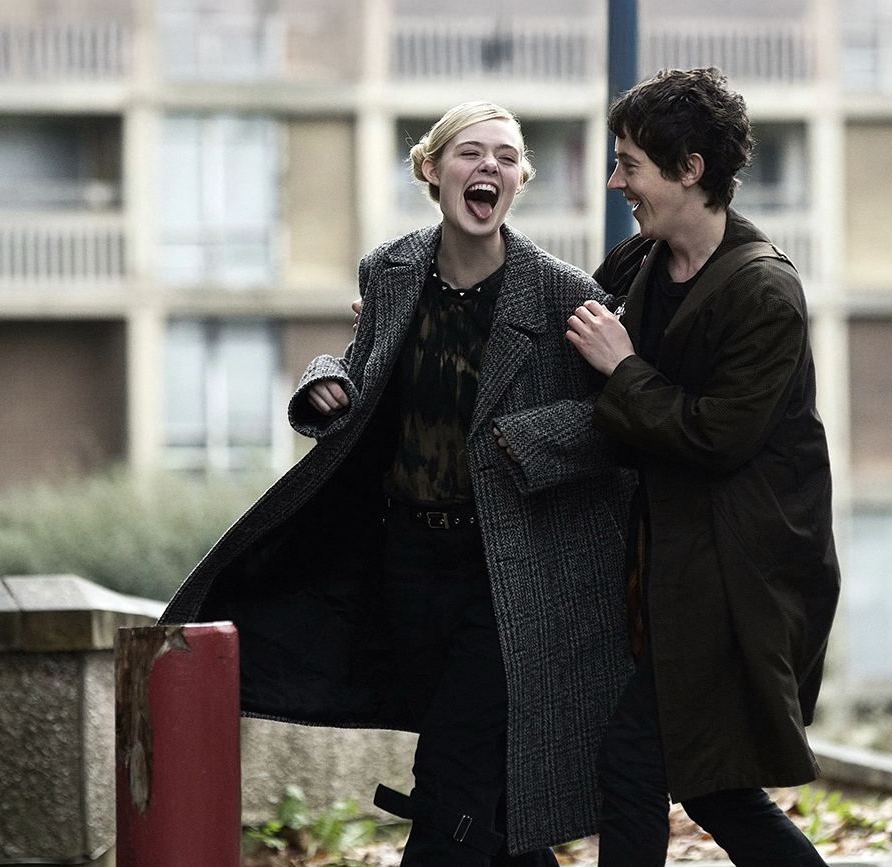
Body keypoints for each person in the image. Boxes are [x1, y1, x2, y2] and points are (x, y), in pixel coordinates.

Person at [159, 102, 635, 866]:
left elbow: (619, 421)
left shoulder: (560, 292)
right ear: (431, 169)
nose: (489, 167)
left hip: (508, 576)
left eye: (506, 156)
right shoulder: (390, 269)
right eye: (470, 152)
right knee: (480, 786)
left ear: (519, 180)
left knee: (449, 774)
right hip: (407, 562)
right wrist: (325, 381)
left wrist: (527, 439)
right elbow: (366, 361)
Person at [563, 68, 841, 867]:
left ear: (690, 168)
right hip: (669, 574)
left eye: (630, 165)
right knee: (712, 786)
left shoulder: (764, 291)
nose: (616, 182)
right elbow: (563, 331)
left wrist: (624, 369)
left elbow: (718, 435)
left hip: (738, 582)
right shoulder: (638, 263)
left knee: (639, 758)